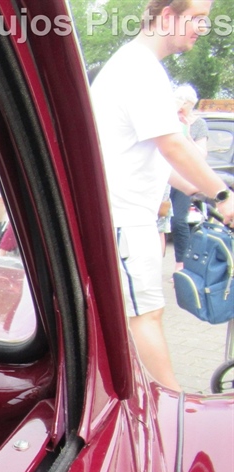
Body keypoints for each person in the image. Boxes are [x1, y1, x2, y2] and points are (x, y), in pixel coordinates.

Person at [91, 0, 234, 392]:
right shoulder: (140, 69)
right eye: (197, 19)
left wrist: (203, 192)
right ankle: (172, 408)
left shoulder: (133, 65)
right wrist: (222, 194)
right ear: (168, 16)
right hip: (125, 220)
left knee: (141, 314)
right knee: (145, 318)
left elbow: (155, 154)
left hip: (128, 218)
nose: (202, 29)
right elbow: (172, 144)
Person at [169, 83, 209, 270]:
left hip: (184, 175)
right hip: (166, 175)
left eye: (187, 103)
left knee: (179, 220)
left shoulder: (198, 124)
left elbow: (201, 154)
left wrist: (187, 135)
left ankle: (181, 264)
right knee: (160, 221)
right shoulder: (167, 119)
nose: (182, 107)